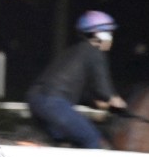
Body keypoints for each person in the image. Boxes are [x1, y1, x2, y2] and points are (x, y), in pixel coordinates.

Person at [26, 10, 127, 148]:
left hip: (35, 100)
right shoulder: (95, 53)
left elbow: (72, 87)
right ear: (99, 34)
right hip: (54, 103)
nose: (111, 38)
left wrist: (93, 102)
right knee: (93, 140)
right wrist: (119, 103)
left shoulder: (72, 51)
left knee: (65, 141)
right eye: (109, 33)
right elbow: (104, 90)